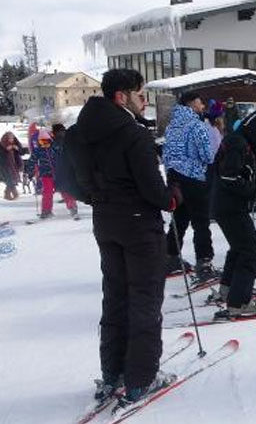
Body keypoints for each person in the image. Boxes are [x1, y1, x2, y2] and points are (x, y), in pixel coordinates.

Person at [67, 69, 182, 409]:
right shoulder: (133, 133)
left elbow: (71, 182)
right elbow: (153, 190)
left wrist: (99, 198)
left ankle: (113, 370)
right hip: (138, 227)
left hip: (106, 222)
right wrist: (172, 195)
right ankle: (140, 378)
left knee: (115, 297)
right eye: (140, 95)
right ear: (122, 97)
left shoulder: (79, 133)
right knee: (144, 300)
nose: (143, 101)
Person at [210, 103, 256, 318]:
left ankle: (230, 289)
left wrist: (253, 190)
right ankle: (239, 302)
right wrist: (254, 190)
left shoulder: (238, 140)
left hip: (225, 204)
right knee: (251, 251)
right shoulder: (238, 144)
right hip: (229, 205)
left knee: (239, 248)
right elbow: (230, 177)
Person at [162, 91, 215, 280]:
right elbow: (207, 156)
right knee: (201, 222)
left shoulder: (171, 126)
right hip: (194, 178)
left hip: (174, 178)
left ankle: (171, 257)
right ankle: (204, 263)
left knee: (179, 218)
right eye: (201, 103)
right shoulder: (196, 126)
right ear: (192, 103)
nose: (202, 107)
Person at [33, 128, 78, 219]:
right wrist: (29, 171)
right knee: (47, 193)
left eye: (47, 141)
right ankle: (46, 211)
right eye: (42, 142)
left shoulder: (55, 148)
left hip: (59, 174)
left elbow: (65, 156)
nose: (45, 144)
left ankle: (72, 207)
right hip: (46, 175)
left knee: (65, 190)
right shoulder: (38, 151)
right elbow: (31, 161)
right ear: (39, 142)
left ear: (50, 140)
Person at [0, 131, 22, 200]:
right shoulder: (2, 145)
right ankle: (14, 194)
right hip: (5, 166)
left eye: (12, 138)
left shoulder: (15, 144)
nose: (11, 139)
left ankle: (7, 194)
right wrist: (6, 150)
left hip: (14, 165)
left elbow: (21, 152)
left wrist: (17, 148)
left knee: (12, 180)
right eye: (9, 138)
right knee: (10, 180)